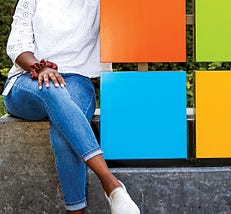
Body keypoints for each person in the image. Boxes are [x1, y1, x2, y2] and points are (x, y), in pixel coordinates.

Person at [2, 0, 140, 213]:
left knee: (63, 127)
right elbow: (17, 45)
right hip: (27, 80)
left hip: (77, 81)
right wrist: (39, 68)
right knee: (52, 88)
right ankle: (110, 183)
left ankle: (75, 210)